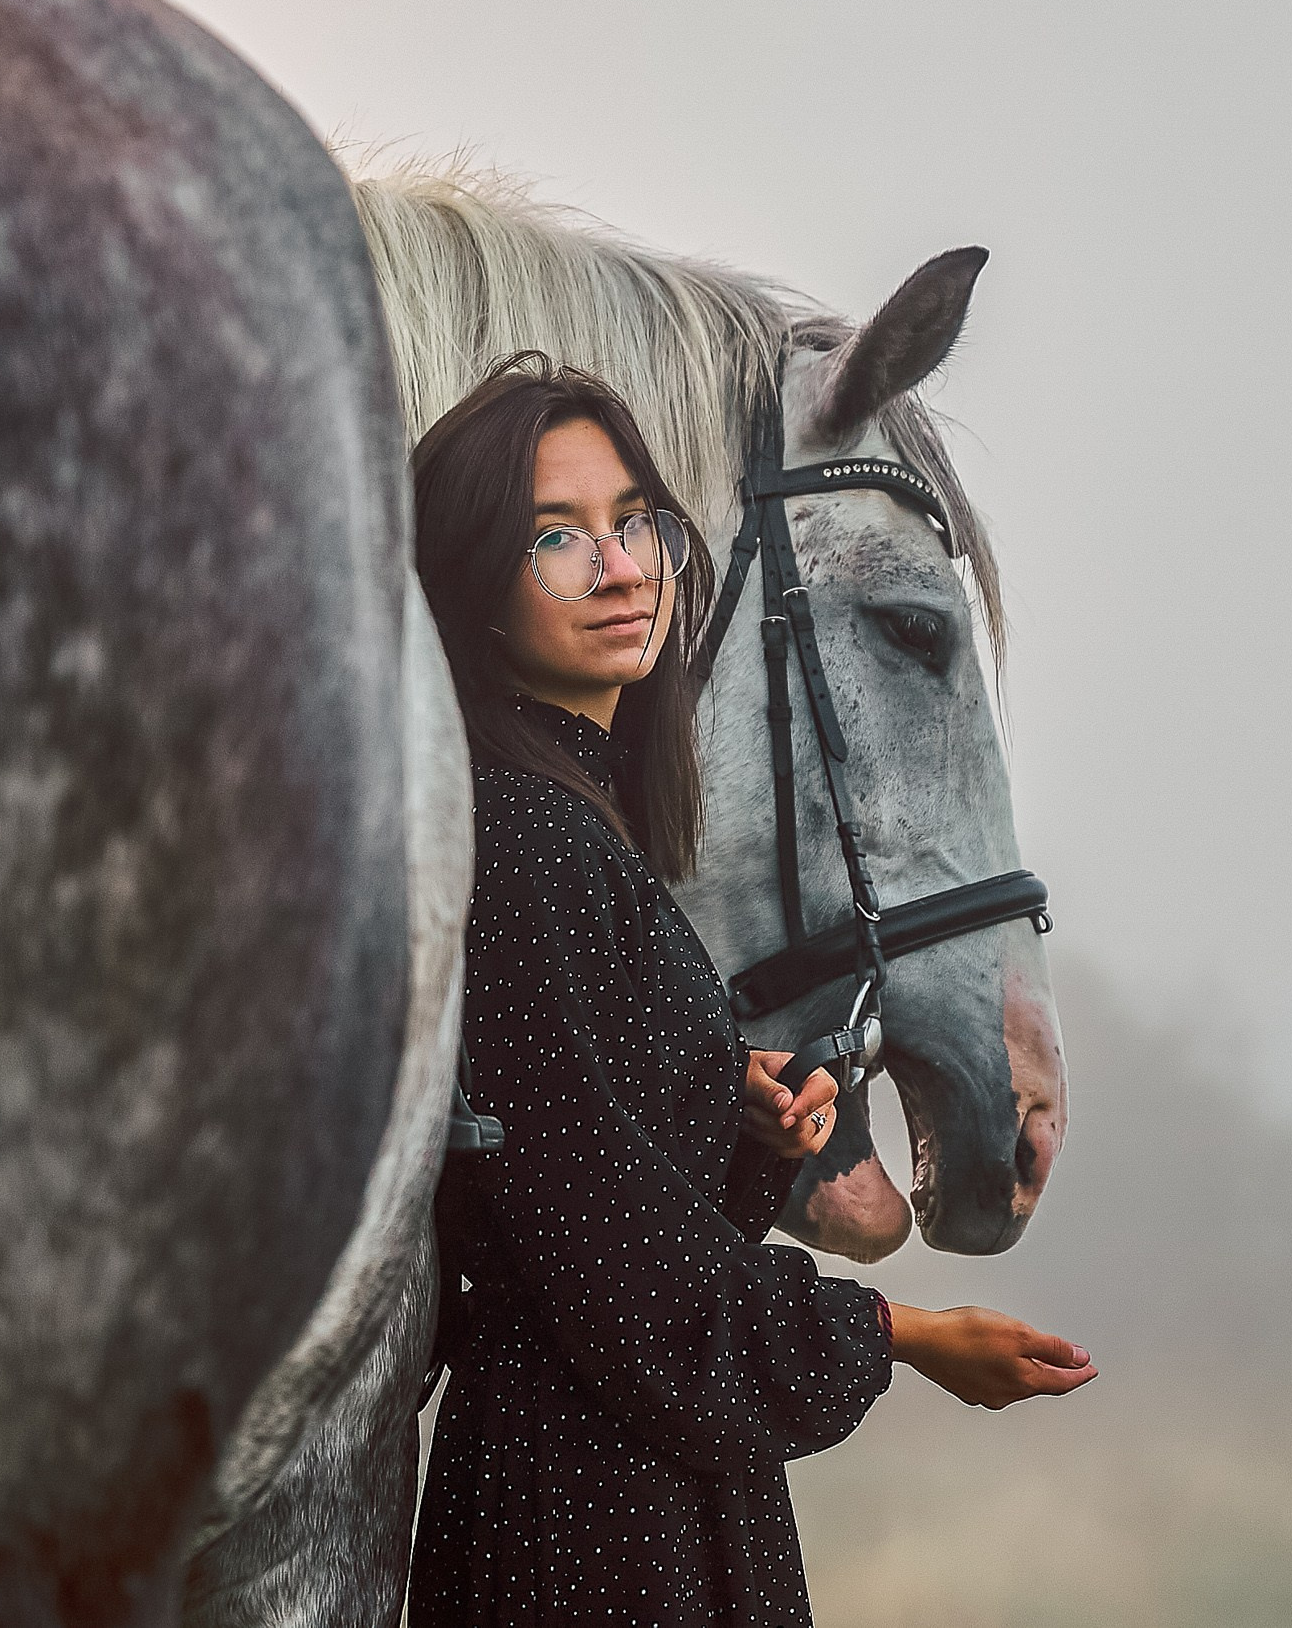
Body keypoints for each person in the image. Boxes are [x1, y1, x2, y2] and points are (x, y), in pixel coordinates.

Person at [408, 354, 1096, 1627]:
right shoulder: (526, 843)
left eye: (635, 523)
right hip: (582, 1523)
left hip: (631, 1492)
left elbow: (603, 1195)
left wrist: (739, 1130)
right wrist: (907, 1334)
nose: (621, 569)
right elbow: (615, 1284)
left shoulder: (580, 825)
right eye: (554, 538)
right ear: (472, 587)